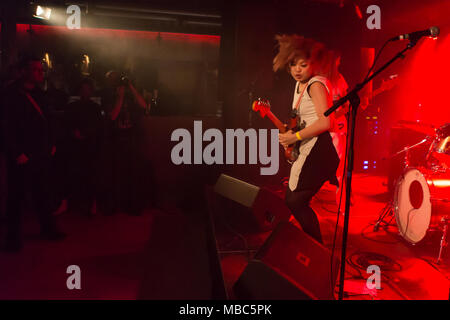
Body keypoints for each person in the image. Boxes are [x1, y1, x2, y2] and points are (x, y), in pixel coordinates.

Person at [275, 35, 340, 243]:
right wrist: (291, 135)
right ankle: (312, 247)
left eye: (303, 64)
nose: (297, 69)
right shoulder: (299, 86)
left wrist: (294, 136)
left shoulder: (315, 85)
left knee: (295, 201)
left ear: (315, 63)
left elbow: (325, 122)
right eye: (293, 64)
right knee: (294, 201)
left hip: (322, 149)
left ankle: (316, 250)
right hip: (311, 147)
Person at [2, 56, 66, 252]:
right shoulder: (10, 95)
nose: (40, 73)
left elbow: (48, 119)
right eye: (36, 70)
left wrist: (51, 143)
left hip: (39, 151)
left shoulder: (39, 93)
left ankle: (47, 228)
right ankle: (12, 238)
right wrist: (16, 152)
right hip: (22, 153)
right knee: (16, 196)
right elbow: (5, 126)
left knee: (42, 192)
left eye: (41, 70)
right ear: (23, 72)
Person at [100, 71, 147, 216]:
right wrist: (120, 97)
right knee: (116, 173)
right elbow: (113, 116)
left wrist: (131, 87)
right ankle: (114, 206)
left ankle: (132, 205)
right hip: (116, 138)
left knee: (132, 173)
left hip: (131, 137)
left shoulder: (130, 97)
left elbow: (143, 105)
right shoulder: (108, 96)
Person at [65, 78, 103, 216]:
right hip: (77, 147)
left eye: (88, 89)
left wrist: (86, 134)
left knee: (91, 176)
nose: (86, 92)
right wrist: (74, 132)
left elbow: (98, 126)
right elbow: (67, 124)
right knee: (77, 175)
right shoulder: (73, 107)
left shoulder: (95, 108)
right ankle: (78, 203)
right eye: (84, 89)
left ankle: (91, 203)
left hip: (90, 146)